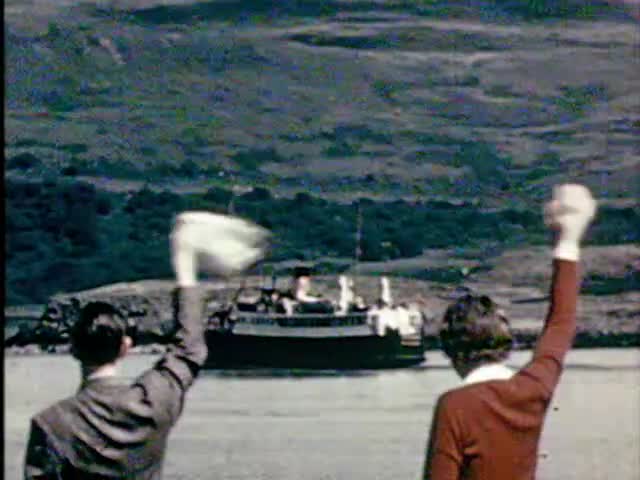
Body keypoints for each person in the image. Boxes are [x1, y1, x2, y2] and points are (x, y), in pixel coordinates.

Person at [24, 212, 269, 479]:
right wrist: (185, 267)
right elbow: (190, 349)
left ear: (73, 348)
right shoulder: (152, 402)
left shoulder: (51, 424)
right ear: (125, 347)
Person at [423, 184, 597, 479]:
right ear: (505, 344)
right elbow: (560, 323)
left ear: (454, 354)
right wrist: (569, 239)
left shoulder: (455, 407)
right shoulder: (533, 388)